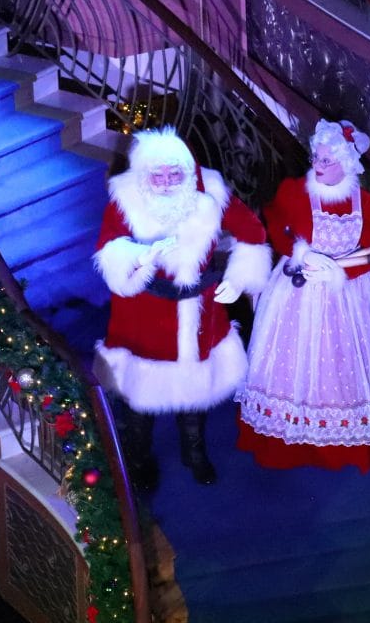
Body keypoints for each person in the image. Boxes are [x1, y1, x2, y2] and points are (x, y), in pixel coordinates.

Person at [236, 119, 370, 472]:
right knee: (294, 363)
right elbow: (277, 225)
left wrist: (342, 271)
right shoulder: (295, 191)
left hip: (352, 296)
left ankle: (347, 441)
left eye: (327, 161)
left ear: (347, 163)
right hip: (298, 294)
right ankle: (295, 439)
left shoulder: (368, 201)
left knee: (350, 364)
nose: (318, 166)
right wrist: (299, 253)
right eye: (316, 158)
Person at [93, 127, 271, 488]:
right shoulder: (124, 200)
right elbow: (109, 251)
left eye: (175, 173)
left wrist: (238, 279)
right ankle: (138, 457)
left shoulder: (212, 193)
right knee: (140, 388)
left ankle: (194, 451)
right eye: (158, 174)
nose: (167, 181)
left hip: (201, 309)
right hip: (143, 311)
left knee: (197, 385)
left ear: (188, 172)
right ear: (144, 175)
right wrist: (140, 256)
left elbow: (253, 233)